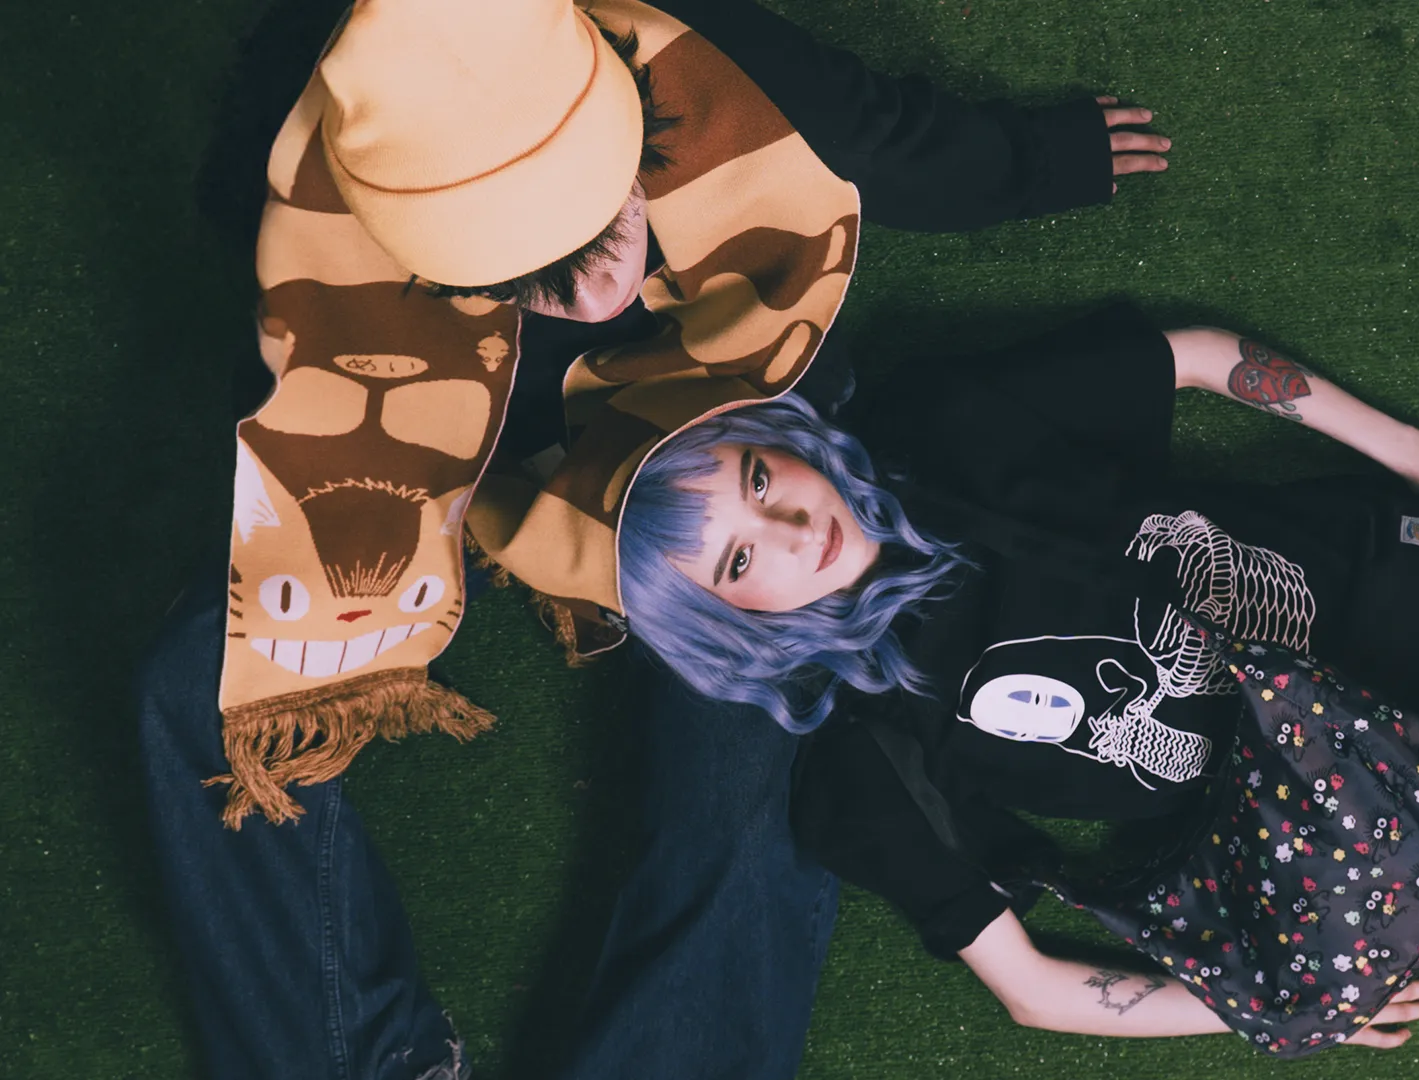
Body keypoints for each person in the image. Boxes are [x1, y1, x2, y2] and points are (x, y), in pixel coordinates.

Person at [137, 0, 1171, 1076]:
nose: (597, 295)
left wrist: (1036, 159)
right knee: (207, 680)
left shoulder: (670, 41)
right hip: (476, 471)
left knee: (749, 785)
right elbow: (314, 380)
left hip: (723, 449)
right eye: (524, 282)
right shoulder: (309, 189)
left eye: (603, 225)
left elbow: (864, 129)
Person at [615, 302, 1419, 1073]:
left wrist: (1408, 448)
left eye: (761, 482)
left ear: (783, 446)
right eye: (739, 561)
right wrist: (1296, 1001)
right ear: (731, 626)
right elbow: (1036, 990)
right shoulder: (869, 758)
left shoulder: (930, 434)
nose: (790, 530)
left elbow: (1186, 355)